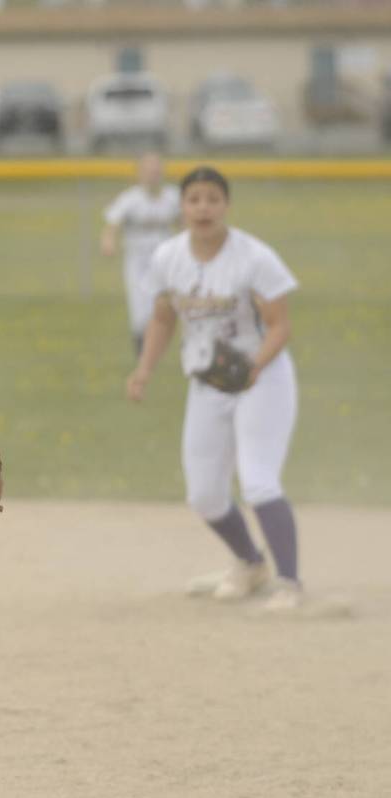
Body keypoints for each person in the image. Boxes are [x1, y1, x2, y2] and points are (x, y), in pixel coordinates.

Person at [126, 166, 302, 612]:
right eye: (194, 199)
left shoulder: (253, 257)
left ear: (225, 205)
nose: (203, 207)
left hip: (262, 377)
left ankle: (289, 583)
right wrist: (144, 370)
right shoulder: (169, 257)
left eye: (212, 199)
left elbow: (280, 327)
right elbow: (163, 318)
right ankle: (249, 564)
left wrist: (253, 367)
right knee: (204, 494)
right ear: (182, 206)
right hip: (208, 382)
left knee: (259, 480)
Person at [100, 152, 180, 358]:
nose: (153, 174)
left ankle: (167, 344)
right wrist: (109, 242)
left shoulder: (172, 196)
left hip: (165, 261)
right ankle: (141, 350)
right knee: (140, 306)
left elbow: (185, 223)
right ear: (140, 173)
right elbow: (112, 224)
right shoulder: (130, 199)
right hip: (138, 261)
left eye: (156, 170)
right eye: (148, 170)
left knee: (168, 303)